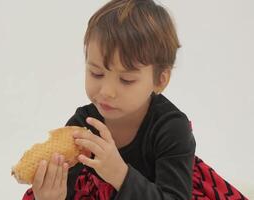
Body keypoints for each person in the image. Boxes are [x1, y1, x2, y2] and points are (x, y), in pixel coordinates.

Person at [20, 0, 248, 199]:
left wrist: (119, 174)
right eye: (96, 73)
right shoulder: (84, 123)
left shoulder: (171, 128)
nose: (107, 91)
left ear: (160, 80)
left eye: (127, 80)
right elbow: (68, 188)